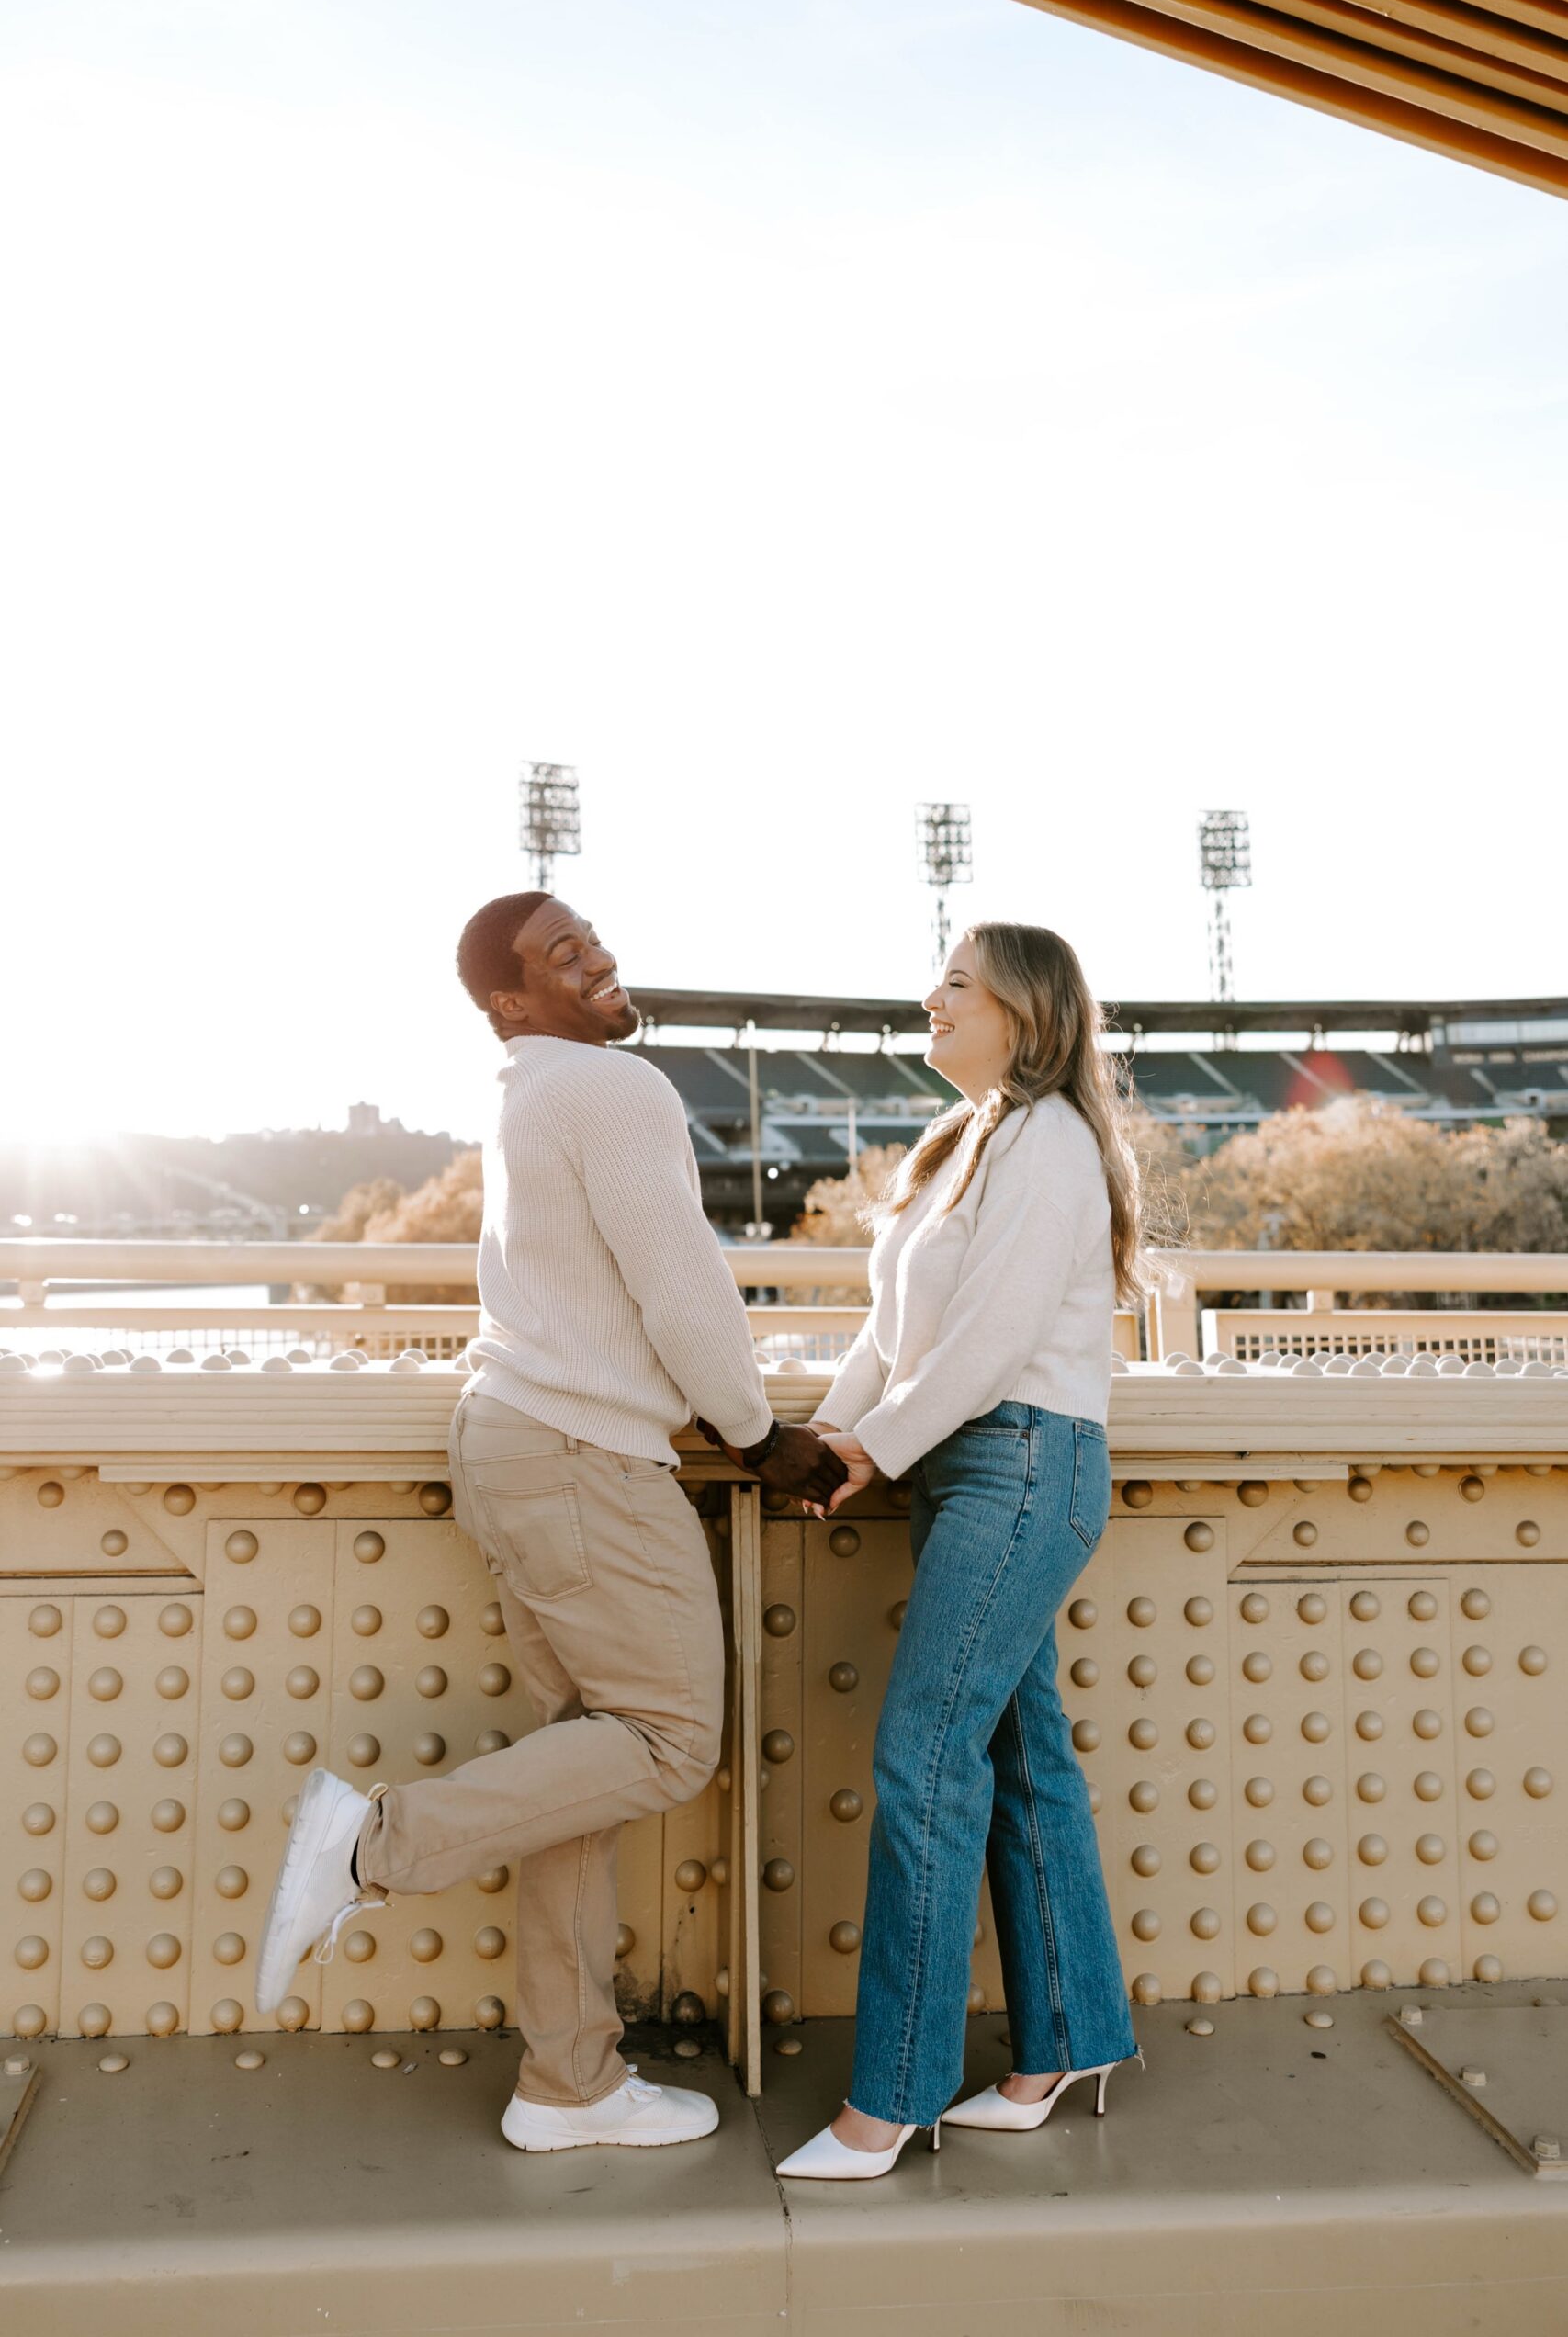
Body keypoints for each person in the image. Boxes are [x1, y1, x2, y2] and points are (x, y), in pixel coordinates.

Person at [256, 891, 846, 2152]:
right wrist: (757, 1434)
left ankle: (567, 2083)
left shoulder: (529, 1090)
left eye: (595, 941)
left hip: (515, 1439)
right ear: (511, 1003)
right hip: (580, 1455)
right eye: (562, 956)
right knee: (671, 1740)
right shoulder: (611, 1088)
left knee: (577, 1762)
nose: (601, 962)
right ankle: (372, 1845)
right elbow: (678, 1281)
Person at [777, 921, 1142, 2180]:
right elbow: (898, 1327)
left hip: (1027, 1462)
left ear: (1025, 1016)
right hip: (975, 1466)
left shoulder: (1049, 1144)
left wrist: (869, 1454)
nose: (930, 997)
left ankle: (895, 2095)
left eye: (957, 982)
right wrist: (834, 1428)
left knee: (923, 1760)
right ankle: (1067, 2041)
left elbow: (983, 1349)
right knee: (1022, 1760)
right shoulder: (966, 1140)